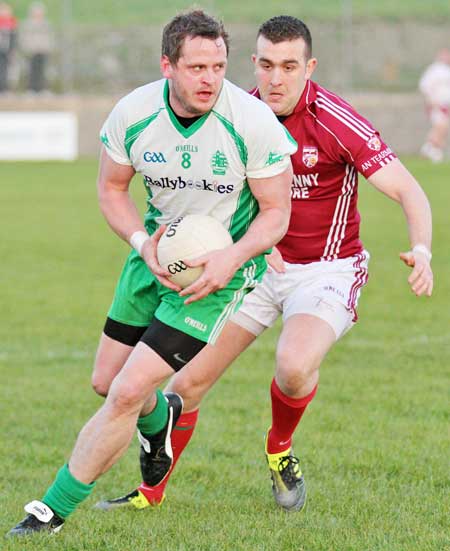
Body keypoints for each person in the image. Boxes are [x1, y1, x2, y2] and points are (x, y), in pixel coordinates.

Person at [95, 16, 433, 514]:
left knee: (294, 367)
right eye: (267, 65)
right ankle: (150, 494)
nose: (276, 78)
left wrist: (421, 251)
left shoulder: (336, 120)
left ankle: (279, 448)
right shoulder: (234, 114)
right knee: (183, 385)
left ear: (309, 68)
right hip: (250, 267)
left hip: (325, 268)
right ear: (253, 64)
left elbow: (407, 189)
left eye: (290, 66)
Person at [8, 10, 296, 537]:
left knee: (125, 391)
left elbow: (277, 212)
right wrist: (143, 246)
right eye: (197, 67)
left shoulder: (251, 124)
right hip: (153, 258)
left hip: (217, 276)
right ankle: (158, 419)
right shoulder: (133, 113)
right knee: (105, 383)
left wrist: (233, 257)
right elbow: (111, 190)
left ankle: (49, 510)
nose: (210, 79)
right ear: (168, 65)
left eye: (218, 66)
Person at [419, 48, 450, 163]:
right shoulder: (434, 70)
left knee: (443, 128)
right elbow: (424, 85)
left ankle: (433, 149)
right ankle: (429, 149)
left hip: (445, 104)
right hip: (437, 104)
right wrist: (431, 101)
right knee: (440, 126)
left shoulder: (447, 70)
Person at [19, 2, 54, 93]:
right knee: (31, 70)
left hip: (43, 50)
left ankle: (43, 89)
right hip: (32, 51)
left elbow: (49, 38)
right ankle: (31, 89)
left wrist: (48, 48)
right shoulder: (27, 24)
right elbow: (24, 37)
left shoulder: (46, 24)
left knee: (43, 71)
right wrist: (26, 47)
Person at [0, 2, 17, 93]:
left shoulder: (12, 23)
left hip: (7, 50)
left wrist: (12, 50)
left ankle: (5, 88)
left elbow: (14, 38)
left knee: (7, 69)